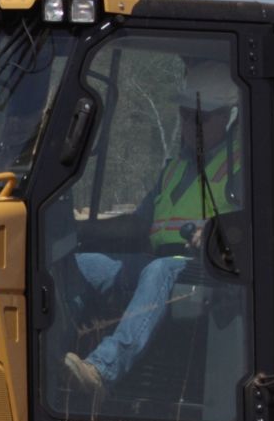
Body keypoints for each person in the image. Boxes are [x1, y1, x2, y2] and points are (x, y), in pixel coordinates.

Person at [62, 61, 242, 399]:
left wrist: (219, 230)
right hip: (153, 261)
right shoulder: (174, 169)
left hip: (205, 271)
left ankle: (103, 369)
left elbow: (256, 222)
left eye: (199, 118)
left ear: (227, 117)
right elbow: (138, 223)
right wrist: (82, 230)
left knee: (160, 270)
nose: (189, 125)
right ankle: (57, 357)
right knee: (80, 265)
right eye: (184, 115)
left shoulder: (241, 167)